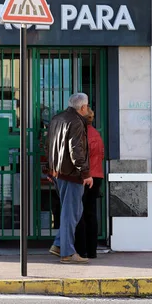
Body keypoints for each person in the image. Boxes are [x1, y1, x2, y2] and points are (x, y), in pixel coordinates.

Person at [47, 93, 93, 263]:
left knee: (74, 210)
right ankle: (67, 253)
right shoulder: (76, 122)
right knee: (71, 212)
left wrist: (50, 170)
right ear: (82, 107)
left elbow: (49, 146)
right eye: (87, 106)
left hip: (58, 172)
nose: (87, 109)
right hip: (72, 173)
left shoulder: (57, 118)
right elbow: (76, 150)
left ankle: (59, 244)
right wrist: (86, 173)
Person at [75, 107, 105, 259]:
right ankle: (92, 250)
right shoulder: (96, 134)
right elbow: (101, 154)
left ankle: (81, 250)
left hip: (85, 176)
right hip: (97, 175)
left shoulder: (81, 134)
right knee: (91, 213)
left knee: (79, 213)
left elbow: (79, 156)